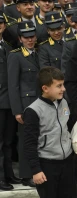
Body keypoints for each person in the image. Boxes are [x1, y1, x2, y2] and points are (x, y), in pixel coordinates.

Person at [23, 67, 76, 198]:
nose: (63, 89)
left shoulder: (63, 102)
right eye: (59, 86)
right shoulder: (33, 111)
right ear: (45, 88)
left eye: (63, 85)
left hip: (67, 162)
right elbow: (29, 144)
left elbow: (68, 126)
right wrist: (36, 170)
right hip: (47, 166)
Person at [7, 21, 39, 187]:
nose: (30, 40)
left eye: (32, 36)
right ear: (20, 39)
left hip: (40, 103)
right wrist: (17, 111)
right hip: (26, 104)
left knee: (39, 138)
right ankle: (27, 174)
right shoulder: (15, 56)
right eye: (26, 37)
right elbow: (13, 85)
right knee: (26, 139)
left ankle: (38, 171)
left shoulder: (39, 53)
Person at [0, 10, 21, 191]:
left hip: (6, 99)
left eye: (0, 23)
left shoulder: (7, 46)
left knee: (8, 141)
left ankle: (8, 173)